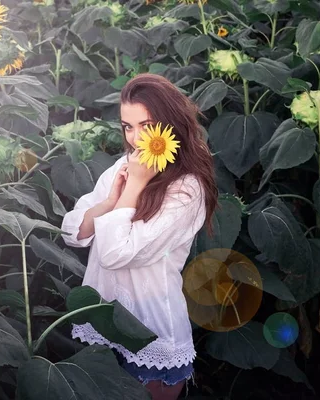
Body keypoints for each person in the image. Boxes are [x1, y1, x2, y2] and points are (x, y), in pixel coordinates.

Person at [61, 73, 218, 400]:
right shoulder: (121, 167)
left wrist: (133, 187)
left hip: (150, 334)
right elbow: (74, 231)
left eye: (146, 126)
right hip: (105, 325)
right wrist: (109, 200)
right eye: (128, 127)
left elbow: (116, 254)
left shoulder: (186, 189)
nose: (135, 139)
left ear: (169, 125)